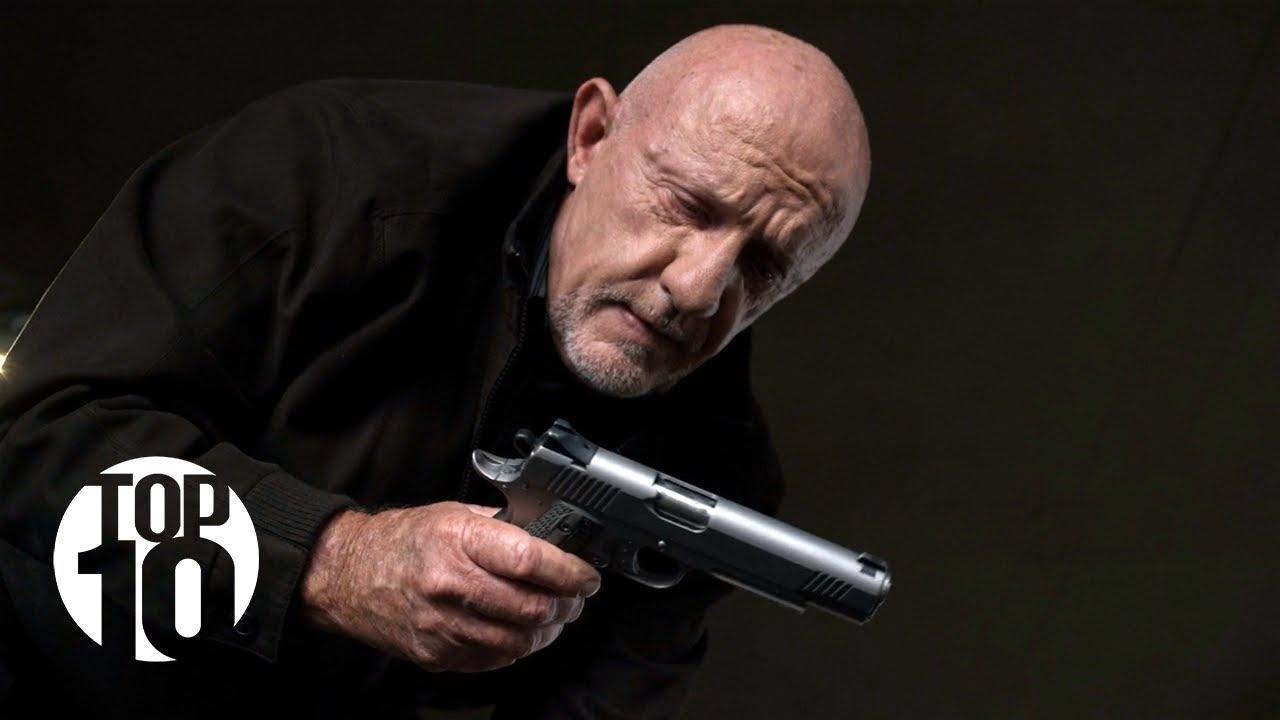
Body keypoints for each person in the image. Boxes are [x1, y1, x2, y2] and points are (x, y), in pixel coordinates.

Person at [0, 23, 869, 719]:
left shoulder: (717, 473)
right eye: (685, 205)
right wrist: (332, 561)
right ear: (591, 135)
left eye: (763, 267)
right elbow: (32, 443)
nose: (697, 289)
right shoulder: (327, 173)